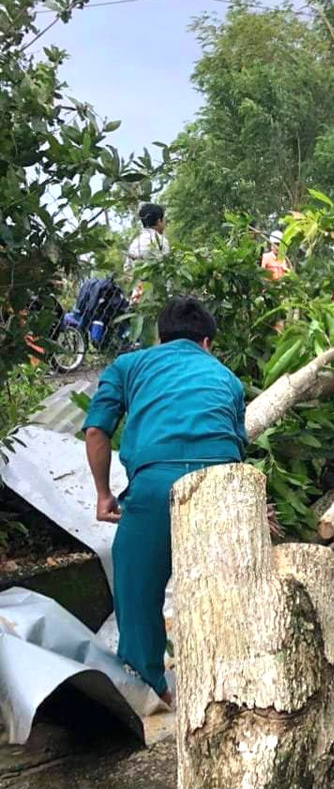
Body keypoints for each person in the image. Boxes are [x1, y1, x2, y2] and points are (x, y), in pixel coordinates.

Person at [83, 296, 248, 704]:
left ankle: (148, 688)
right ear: (207, 342)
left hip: (154, 484)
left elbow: (95, 432)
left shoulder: (128, 365)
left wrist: (104, 495)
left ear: (159, 337)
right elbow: (235, 445)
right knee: (223, 588)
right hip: (220, 483)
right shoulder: (228, 378)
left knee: (136, 585)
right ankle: (227, 684)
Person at [125, 203, 169, 272]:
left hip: (138, 281)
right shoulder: (161, 241)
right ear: (158, 221)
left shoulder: (135, 243)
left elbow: (127, 269)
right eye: (163, 219)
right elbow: (166, 267)